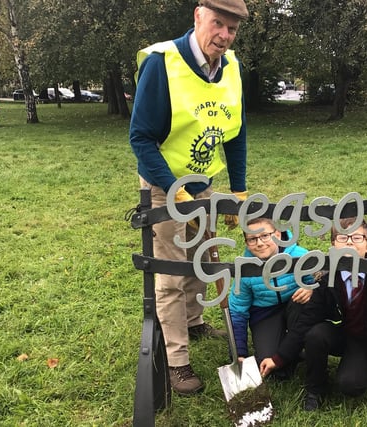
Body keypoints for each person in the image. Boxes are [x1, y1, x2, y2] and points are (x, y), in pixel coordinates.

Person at [129, 0, 249, 396]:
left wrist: (238, 188)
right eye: (218, 24)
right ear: (198, 16)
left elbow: (235, 132)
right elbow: (140, 138)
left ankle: (194, 321)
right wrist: (173, 188)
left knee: (201, 261)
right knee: (172, 271)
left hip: (203, 184)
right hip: (164, 185)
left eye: (231, 29)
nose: (224, 36)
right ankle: (178, 361)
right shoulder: (162, 63)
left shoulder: (231, 67)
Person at [259, 217, 367, 411]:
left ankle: (358, 366)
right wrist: (278, 358)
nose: (350, 242)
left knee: (351, 384)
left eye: (357, 237)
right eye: (343, 238)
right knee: (315, 334)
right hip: (341, 334)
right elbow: (306, 321)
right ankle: (315, 390)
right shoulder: (328, 279)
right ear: (334, 246)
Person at [228, 218, 313, 379]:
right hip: (265, 313)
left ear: (278, 234)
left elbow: (321, 281)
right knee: (275, 372)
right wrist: (239, 352)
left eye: (265, 236)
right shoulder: (246, 269)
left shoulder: (300, 256)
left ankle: (303, 347)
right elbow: (237, 311)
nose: (259, 243)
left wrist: (311, 289)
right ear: (246, 243)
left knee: (303, 304)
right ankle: (290, 354)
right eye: (252, 239)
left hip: (295, 307)